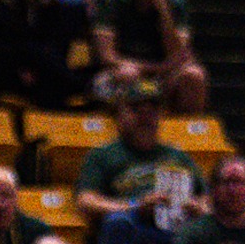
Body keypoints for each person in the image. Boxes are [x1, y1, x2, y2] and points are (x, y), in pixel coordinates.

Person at [75, 81, 207, 244]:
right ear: (120, 114)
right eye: (137, 110)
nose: (145, 117)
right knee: (118, 223)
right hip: (132, 226)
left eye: (152, 112)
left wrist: (195, 206)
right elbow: (86, 201)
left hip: (175, 228)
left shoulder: (179, 156)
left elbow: (206, 199)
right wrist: (136, 207)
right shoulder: (103, 155)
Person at [91, 0, 208, 112]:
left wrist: (163, 10)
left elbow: (178, 54)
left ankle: (185, 135)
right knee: (125, 75)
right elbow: (106, 56)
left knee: (194, 76)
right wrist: (151, 68)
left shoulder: (176, 3)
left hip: (163, 75)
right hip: (124, 69)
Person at [173, 159, 245, 244]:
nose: (233, 190)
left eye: (239, 182)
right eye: (227, 182)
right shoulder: (192, 236)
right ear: (214, 189)